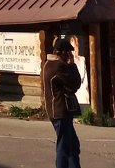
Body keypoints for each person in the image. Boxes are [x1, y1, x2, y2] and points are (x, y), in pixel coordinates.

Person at [42, 38, 82, 168]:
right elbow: (75, 82)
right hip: (60, 111)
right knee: (64, 146)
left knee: (72, 145)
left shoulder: (48, 64)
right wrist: (72, 65)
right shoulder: (59, 66)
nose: (70, 56)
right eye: (69, 54)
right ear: (63, 53)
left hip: (56, 111)